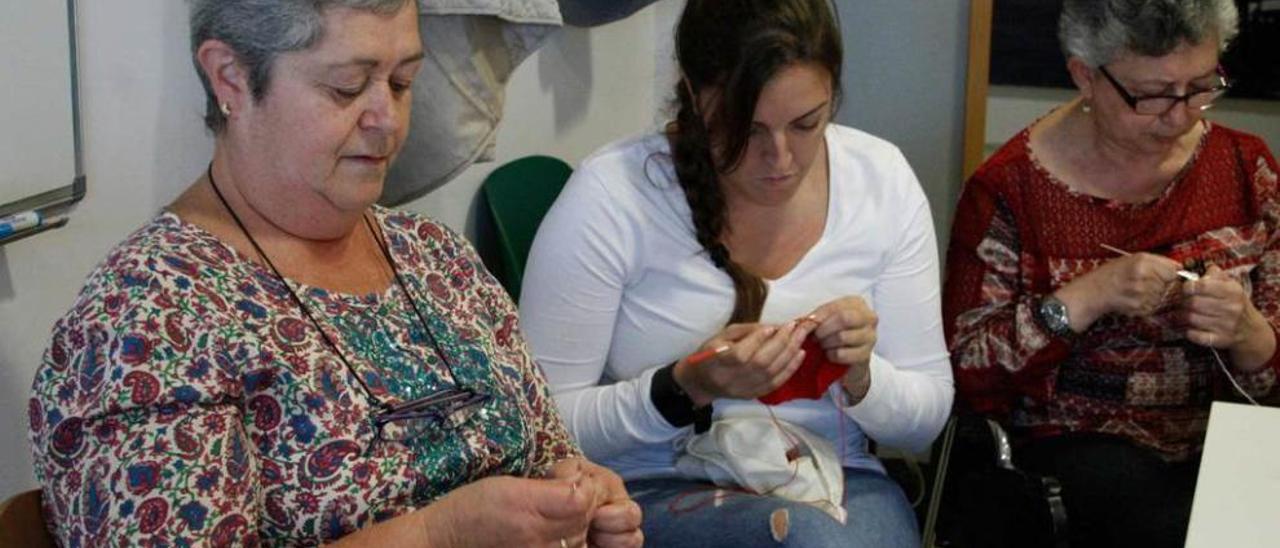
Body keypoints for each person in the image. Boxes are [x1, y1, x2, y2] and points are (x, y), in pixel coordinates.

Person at [26, 1, 643, 546]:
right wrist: (439, 533)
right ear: (230, 77)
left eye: (403, 82)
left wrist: (582, 500)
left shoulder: (434, 256)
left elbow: (549, 454)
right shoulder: (151, 319)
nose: (389, 120)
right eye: (347, 89)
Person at [518, 1, 954, 546]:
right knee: (804, 539)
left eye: (806, 124)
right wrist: (682, 389)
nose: (781, 159)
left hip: (836, 480)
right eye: (746, 129)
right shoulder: (613, 195)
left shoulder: (881, 181)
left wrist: (862, 374)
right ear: (696, 97)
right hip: (650, 488)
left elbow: (927, 420)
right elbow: (537, 428)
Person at [943, 1, 1280, 546]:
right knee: (1173, 524)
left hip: (1231, 441)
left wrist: (1249, 334)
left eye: (1200, 86)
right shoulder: (1010, 191)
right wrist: (1083, 300)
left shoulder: (1247, 169)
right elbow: (966, 374)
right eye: (1152, 95)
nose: (1181, 115)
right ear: (1085, 77)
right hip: (1076, 448)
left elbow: (1273, 377)